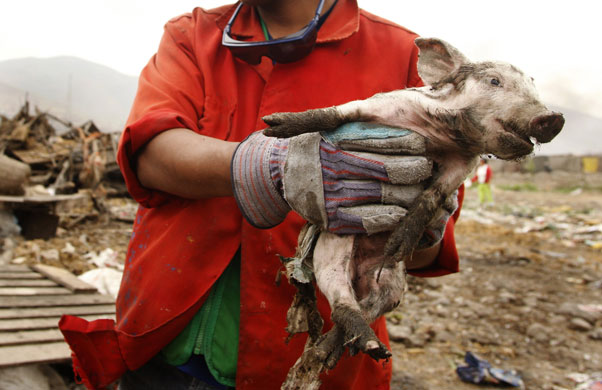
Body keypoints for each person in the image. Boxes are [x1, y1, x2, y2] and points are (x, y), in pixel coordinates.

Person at [59, 1, 465, 389]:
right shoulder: (193, 35)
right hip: (163, 346)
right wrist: (272, 165)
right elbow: (151, 152)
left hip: (308, 362)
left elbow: (426, 252)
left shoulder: (405, 58)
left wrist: (420, 221)